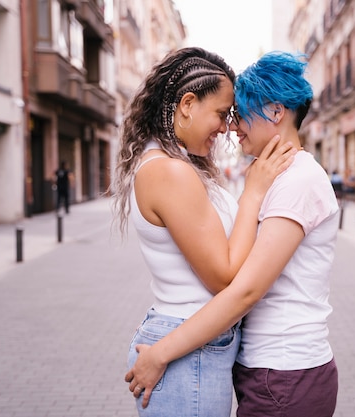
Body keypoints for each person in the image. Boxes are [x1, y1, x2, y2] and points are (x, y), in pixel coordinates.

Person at [125, 51, 340, 417]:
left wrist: (162, 351)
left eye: (238, 114)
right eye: (227, 114)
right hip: (266, 368)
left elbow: (245, 290)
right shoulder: (272, 175)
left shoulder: (298, 180)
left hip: (284, 370)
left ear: (275, 112)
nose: (232, 127)